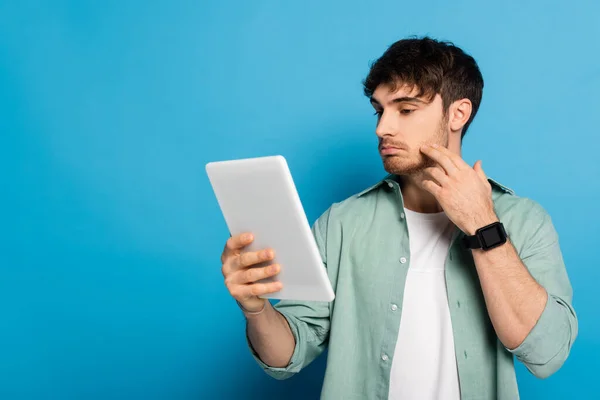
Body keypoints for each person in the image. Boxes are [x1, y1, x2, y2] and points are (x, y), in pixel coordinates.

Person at [219, 37, 578, 399]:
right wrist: (256, 309)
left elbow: (547, 353)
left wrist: (482, 225)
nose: (382, 128)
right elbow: (287, 355)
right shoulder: (342, 223)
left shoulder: (524, 221)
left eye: (405, 110)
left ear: (458, 113)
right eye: (379, 110)